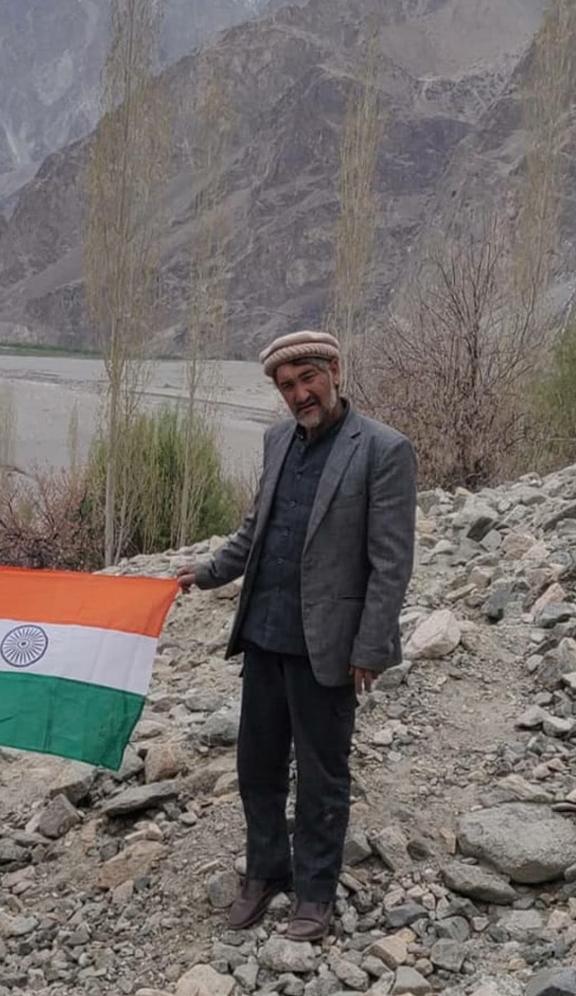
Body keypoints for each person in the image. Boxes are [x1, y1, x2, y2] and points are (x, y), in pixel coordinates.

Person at [177, 331, 415, 942]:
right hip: (264, 634)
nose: (300, 393)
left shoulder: (384, 449)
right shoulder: (278, 438)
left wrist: (371, 647)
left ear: (333, 370)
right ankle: (265, 872)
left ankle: (315, 891)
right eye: (287, 386)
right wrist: (205, 574)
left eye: (308, 378)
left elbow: (391, 563)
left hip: (328, 646)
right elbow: (257, 528)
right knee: (256, 767)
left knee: (321, 774)